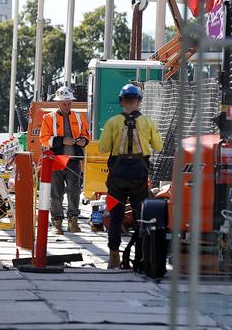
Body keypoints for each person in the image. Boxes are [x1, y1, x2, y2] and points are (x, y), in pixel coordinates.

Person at [97, 83, 163, 269]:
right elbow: (158, 146)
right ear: (139, 101)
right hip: (139, 179)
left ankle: (114, 256)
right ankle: (140, 256)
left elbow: (103, 148)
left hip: (116, 180)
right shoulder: (148, 123)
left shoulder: (112, 123)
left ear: (121, 101)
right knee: (141, 216)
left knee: (115, 217)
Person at [38, 86, 90, 234]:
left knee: (74, 191)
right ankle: (57, 223)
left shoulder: (79, 117)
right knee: (56, 193)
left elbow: (86, 134)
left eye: (69, 103)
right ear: (58, 103)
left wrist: (83, 141)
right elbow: (44, 139)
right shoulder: (48, 118)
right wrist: (61, 141)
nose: (67, 105)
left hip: (74, 159)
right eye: (64, 103)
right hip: (57, 159)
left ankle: (73, 221)